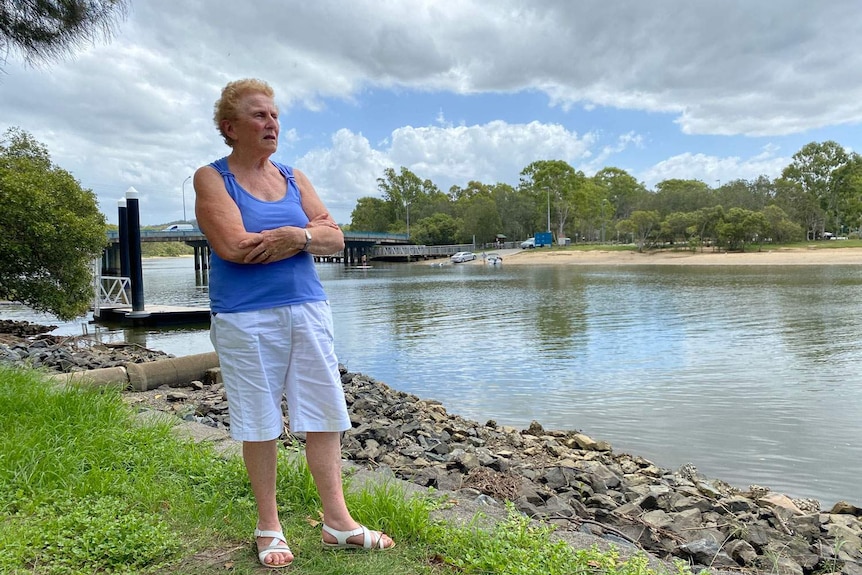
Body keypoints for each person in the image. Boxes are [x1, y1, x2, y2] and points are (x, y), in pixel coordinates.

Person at [194, 78, 394, 569]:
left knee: (324, 412)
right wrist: (302, 237)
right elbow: (233, 247)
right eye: (259, 115)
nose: (271, 124)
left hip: (308, 308)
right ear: (230, 127)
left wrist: (297, 237)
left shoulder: (294, 175)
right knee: (259, 419)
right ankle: (269, 526)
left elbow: (336, 238)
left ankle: (337, 523)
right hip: (245, 317)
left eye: (275, 115)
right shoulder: (211, 178)